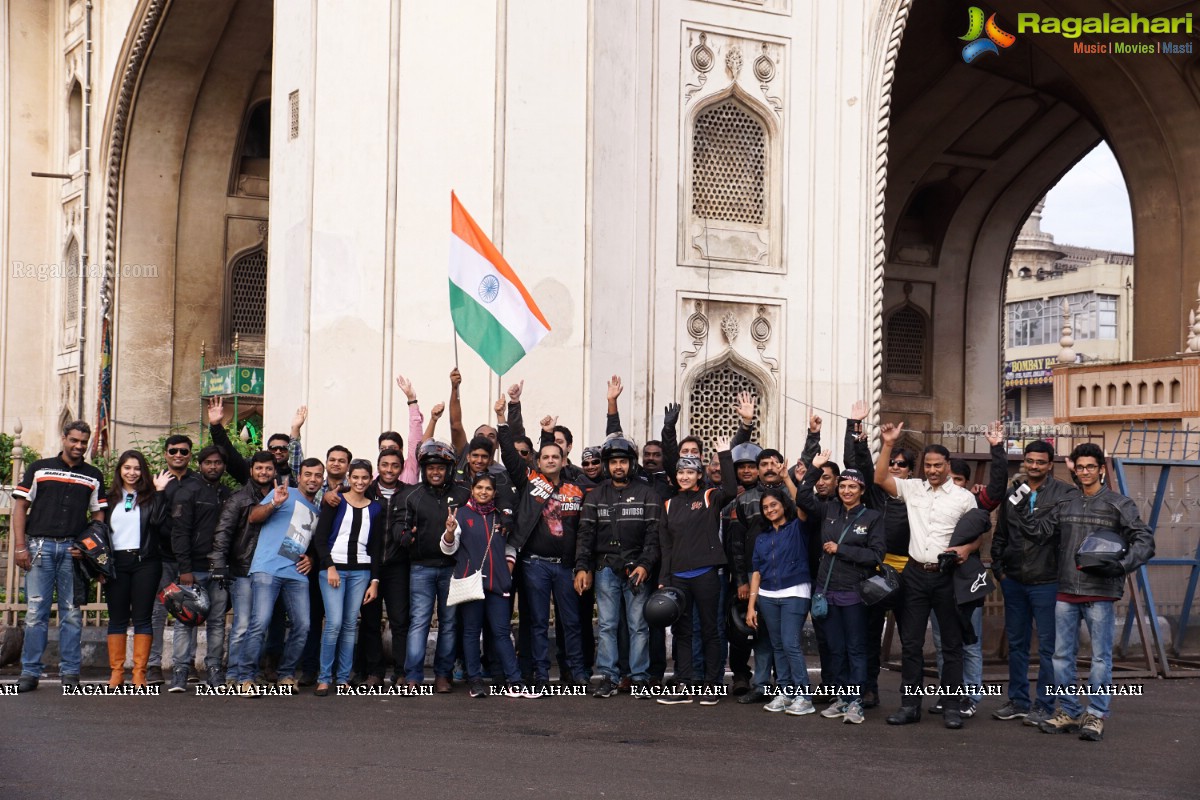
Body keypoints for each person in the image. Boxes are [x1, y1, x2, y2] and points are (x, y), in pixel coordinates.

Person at [1026, 444, 1154, 742]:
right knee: (1061, 657)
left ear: (1100, 469)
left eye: (1090, 467)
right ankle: (1069, 711)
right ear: (1075, 470)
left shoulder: (1118, 504)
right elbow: (1038, 532)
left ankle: (1095, 715)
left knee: (1100, 659)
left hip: (1101, 592)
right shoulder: (1065, 503)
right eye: (1080, 467)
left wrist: (1121, 566)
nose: (1085, 472)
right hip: (1066, 589)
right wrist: (1026, 500)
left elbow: (1144, 540)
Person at [875, 423, 978, 729]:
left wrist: (967, 549)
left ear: (948, 466)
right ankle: (910, 705)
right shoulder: (913, 488)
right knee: (910, 644)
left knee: (951, 644)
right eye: (928, 465)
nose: (932, 471)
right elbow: (880, 478)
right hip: (915, 575)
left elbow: (978, 536)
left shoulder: (963, 498)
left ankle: (951, 707)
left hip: (948, 577)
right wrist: (888, 444)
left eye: (938, 466)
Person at [496, 402, 588, 695]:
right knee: (535, 622)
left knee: (570, 622)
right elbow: (510, 456)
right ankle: (539, 673)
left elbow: (585, 530)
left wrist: (581, 564)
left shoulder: (576, 489)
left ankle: (574, 673)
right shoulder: (531, 482)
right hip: (534, 564)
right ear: (539, 460)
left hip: (565, 566)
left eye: (554, 456)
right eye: (545, 456)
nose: (550, 460)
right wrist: (502, 420)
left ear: (563, 460)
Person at [12, 420, 107, 692]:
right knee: (35, 613)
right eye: (74, 440)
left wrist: (89, 548)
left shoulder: (94, 475)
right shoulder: (39, 469)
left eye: (83, 442)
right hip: (39, 547)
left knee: (72, 614)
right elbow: (20, 507)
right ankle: (29, 672)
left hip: (73, 552)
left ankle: (70, 673)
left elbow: (97, 515)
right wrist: (21, 546)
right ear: (63, 438)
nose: (78, 446)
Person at [990, 440, 1078, 726]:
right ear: (1024, 462)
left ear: (1050, 465)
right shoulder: (1014, 494)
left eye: (1041, 461)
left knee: (1049, 648)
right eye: (1030, 461)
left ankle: (1044, 704)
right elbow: (1000, 534)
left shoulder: (1064, 494)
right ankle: (1017, 700)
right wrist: (1000, 571)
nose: (1035, 466)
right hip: (1014, 580)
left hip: (1048, 581)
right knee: (1017, 643)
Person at [795, 454, 887, 724]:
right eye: (843, 486)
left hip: (855, 593)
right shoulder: (829, 509)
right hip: (827, 591)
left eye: (853, 487)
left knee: (856, 648)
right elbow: (802, 498)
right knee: (835, 648)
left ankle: (856, 701)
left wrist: (842, 550)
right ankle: (842, 698)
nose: (847, 491)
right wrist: (813, 469)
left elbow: (876, 556)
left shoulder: (872, 517)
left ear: (861, 490)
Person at [574, 436, 661, 698]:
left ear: (632, 464)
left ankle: (639, 679)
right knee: (607, 626)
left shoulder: (649, 494)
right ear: (606, 466)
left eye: (623, 461)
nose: (618, 467)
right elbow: (585, 534)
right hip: (605, 569)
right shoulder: (596, 495)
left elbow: (654, 536)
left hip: (637, 570)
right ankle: (609, 678)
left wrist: (645, 565)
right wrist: (582, 567)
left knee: (638, 626)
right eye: (613, 462)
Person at [845, 400, 912, 708]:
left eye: (901, 464)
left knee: (910, 639)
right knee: (870, 633)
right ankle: (868, 688)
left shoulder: (917, 494)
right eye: (892, 463)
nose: (895, 467)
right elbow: (856, 464)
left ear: (910, 471)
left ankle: (911, 699)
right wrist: (854, 425)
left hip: (910, 573)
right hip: (875, 570)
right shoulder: (872, 492)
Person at [657, 443, 736, 705]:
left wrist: (725, 455)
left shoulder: (709, 497)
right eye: (680, 472)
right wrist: (664, 579)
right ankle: (683, 683)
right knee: (682, 631)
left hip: (706, 574)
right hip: (679, 577)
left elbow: (732, 490)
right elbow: (666, 547)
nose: (684, 476)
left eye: (690, 473)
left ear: (698, 475)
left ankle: (712, 684)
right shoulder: (668, 504)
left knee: (710, 630)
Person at [395, 440, 469, 692]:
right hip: (421, 568)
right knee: (420, 622)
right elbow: (400, 525)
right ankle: (413, 675)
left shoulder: (463, 493)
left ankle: (442, 675)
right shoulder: (412, 494)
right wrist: (404, 536)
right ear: (424, 470)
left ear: (448, 469)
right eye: (430, 468)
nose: (435, 472)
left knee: (449, 623)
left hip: (452, 568)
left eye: (440, 467)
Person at [441, 473, 523, 698]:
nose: (483, 492)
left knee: (502, 633)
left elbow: (510, 547)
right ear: (472, 490)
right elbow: (449, 549)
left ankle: (515, 680)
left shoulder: (502, 517)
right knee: (470, 632)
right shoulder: (461, 514)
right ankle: (474, 680)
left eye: (488, 488)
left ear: (494, 492)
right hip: (471, 583)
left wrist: (507, 569)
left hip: (498, 584)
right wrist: (449, 532)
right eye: (479, 488)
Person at [744, 487, 818, 717]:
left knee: (790, 644)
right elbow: (756, 572)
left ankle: (804, 697)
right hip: (767, 595)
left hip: (795, 591)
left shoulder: (798, 527)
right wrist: (751, 607)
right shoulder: (762, 537)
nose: (770, 510)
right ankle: (785, 693)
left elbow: (804, 504)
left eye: (774, 505)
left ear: (784, 505)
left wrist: (787, 477)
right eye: (765, 507)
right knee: (777, 645)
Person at [312, 460, 381, 695]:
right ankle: (324, 678)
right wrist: (329, 566)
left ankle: (342, 679)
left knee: (351, 624)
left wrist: (374, 581)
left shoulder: (376, 508)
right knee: (334, 624)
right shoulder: (335, 501)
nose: (360, 482)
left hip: (361, 572)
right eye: (356, 477)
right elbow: (320, 539)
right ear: (348, 478)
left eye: (365, 478)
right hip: (333, 570)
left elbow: (376, 548)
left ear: (371, 479)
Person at [168, 445, 234, 690]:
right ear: (200, 465)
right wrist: (184, 568)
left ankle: (215, 670)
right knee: (185, 621)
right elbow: (180, 533)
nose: (213, 466)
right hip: (192, 570)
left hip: (219, 569)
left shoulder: (229, 494)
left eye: (218, 462)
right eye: (208, 462)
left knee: (217, 621)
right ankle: (180, 671)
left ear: (223, 466)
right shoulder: (188, 492)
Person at [210, 451, 276, 694]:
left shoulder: (280, 496)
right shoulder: (239, 498)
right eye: (259, 468)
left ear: (274, 471)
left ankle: (250, 673)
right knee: (242, 624)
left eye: (268, 469)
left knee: (261, 625)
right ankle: (233, 674)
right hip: (243, 569)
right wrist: (219, 564)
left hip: (269, 570)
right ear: (251, 470)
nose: (264, 473)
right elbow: (223, 533)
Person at [103, 451, 170, 687]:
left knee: (143, 617)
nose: (132, 473)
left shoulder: (151, 497)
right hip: (116, 563)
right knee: (117, 618)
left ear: (143, 471)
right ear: (120, 470)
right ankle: (117, 672)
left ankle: (139, 673)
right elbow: (99, 530)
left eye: (137, 468)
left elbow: (159, 523)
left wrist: (160, 492)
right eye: (127, 468)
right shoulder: (109, 498)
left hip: (145, 562)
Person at [145, 433, 200, 685]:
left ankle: (187, 662)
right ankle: (153, 664)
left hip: (190, 558)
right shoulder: (155, 482)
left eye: (184, 451)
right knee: (157, 611)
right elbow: (149, 518)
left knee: (191, 609)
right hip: (161, 556)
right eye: (173, 450)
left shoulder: (197, 483)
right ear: (166, 453)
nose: (178, 455)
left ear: (190, 455)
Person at [357, 448, 410, 686]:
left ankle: (400, 672)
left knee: (399, 620)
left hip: (398, 566)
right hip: (369, 566)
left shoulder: (410, 494)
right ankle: (374, 671)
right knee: (370, 620)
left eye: (395, 465)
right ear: (378, 466)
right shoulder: (365, 491)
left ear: (401, 468)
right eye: (385, 464)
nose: (389, 469)